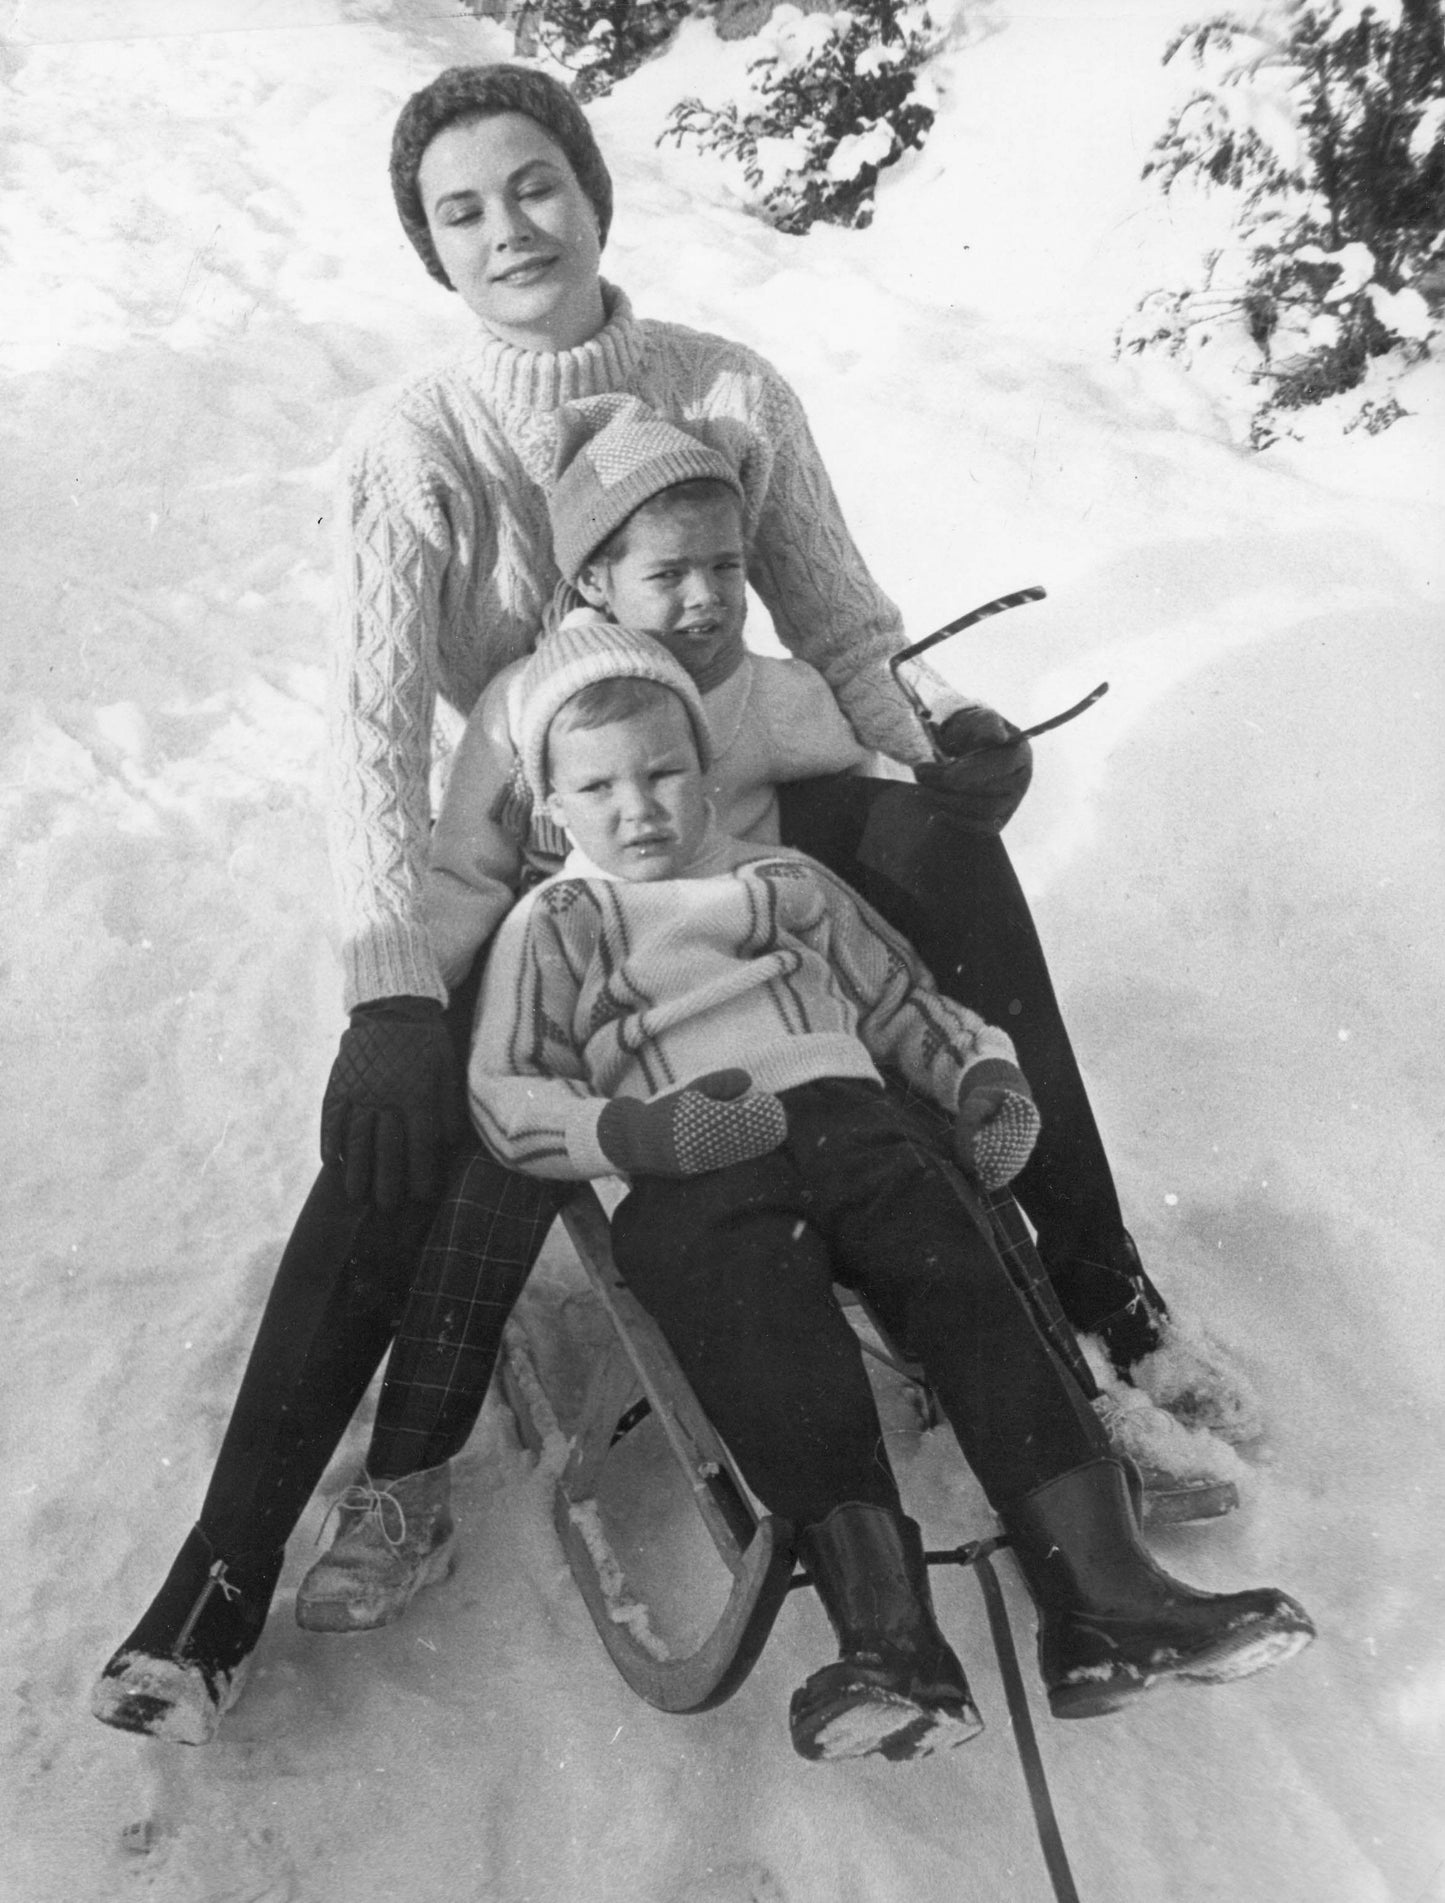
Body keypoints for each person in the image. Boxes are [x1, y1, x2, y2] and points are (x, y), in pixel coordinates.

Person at [89, 62, 1243, 1748]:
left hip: (740, 806)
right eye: (460, 211)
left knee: (942, 856)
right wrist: (394, 986)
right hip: (546, 828)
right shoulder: (415, 442)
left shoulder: (727, 385)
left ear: (594, 187)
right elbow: (369, 734)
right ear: (427, 247)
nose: (508, 230)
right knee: (408, 1123)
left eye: (532, 184)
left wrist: (941, 756)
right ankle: (221, 1568)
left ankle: (1104, 1295)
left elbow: (842, 638)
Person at [461, 613, 1314, 1761]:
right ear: (550, 804)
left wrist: (976, 1078)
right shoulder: (554, 923)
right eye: (599, 787)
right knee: (765, 1329)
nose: (639, 806)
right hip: (693, 1156)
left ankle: (1107, 1592)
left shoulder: (785, 882)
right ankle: (887, 1634)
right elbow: (505, 1091)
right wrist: (629, 1130)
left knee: (969, 1278)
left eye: (664, 772)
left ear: (707, 771)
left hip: (849, 1119)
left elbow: (903, 1003)